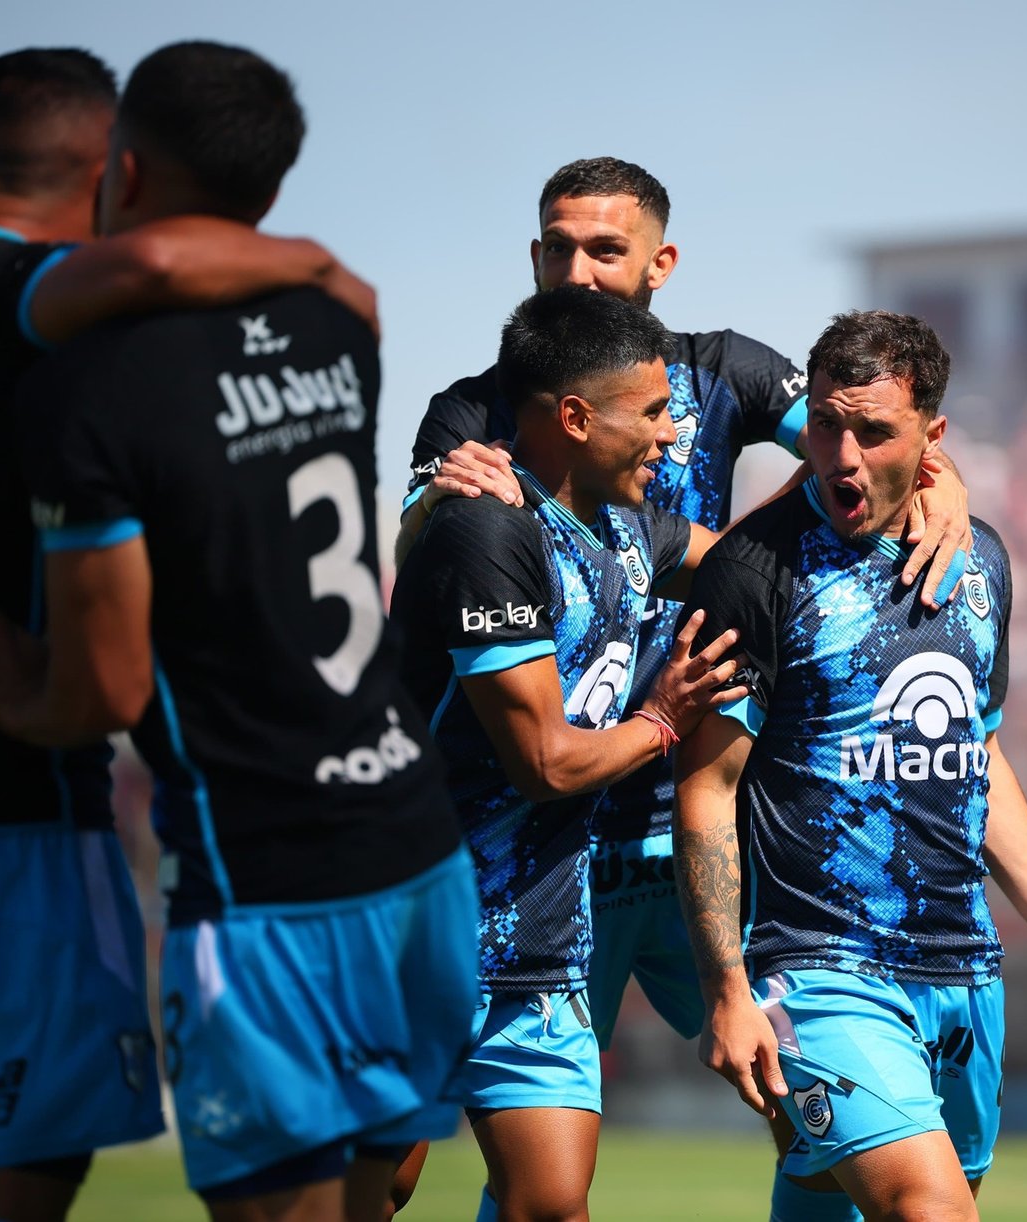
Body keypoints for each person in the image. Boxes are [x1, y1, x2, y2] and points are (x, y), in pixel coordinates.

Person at [0, 42, 477, 1220]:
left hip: (224, 867)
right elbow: (246, 277)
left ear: (126, 169)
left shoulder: (39, 362)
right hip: (392, 843)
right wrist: (311, 254)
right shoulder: (324, 326)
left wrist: (13, 686)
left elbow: (105, 686)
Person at [388, 161, 971, 1209]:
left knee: (806, 1097)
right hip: (534, 846)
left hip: (687, 821)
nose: (579, 268)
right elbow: (425, 557)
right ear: (570, 416)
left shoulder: (715, 387)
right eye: (559, 247)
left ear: (660, 262)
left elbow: (853, 457)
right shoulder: (477, 424)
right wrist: (436, 509)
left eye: (606, 248)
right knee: (423, 1179)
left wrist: (941, 481)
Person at [673, 310, 1027, 1221]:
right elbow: (707, 789)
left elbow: (977, 758)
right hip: (821, 967)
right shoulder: (754, 572)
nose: (842, 456)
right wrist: (726, 988)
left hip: (963, 970)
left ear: (934, 438)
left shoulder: (983, 563)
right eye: (825, 425)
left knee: (836, 1202)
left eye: (874, 432)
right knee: (932, 1212)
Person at [391, 285, 751, 1222]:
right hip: (412, 934)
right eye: (654, 412)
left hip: (537, 945)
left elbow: (751, 569)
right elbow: (543, 764)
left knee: (551, 1206)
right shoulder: (488, 530)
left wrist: (925, 491)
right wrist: (663, 720)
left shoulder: (628, 533)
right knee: (371, 1194)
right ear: (577, 417)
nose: (672, 435)